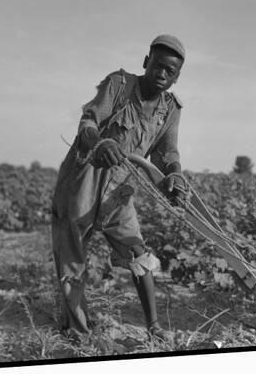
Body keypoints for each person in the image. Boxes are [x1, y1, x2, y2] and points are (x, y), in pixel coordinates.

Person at [51, 34, 187, 340]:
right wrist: (99, 142)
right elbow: (89, 120)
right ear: (146, 62)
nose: (162, 74)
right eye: (158, 65)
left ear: (177, 77)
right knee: (73, 256)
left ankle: (153, 327)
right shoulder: (119, 84)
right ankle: (77, 332)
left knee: (138, 252)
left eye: (171, 71)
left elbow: (167, 152)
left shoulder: (170, 109)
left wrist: (175, 174)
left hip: (120, 186)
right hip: (84, 176)